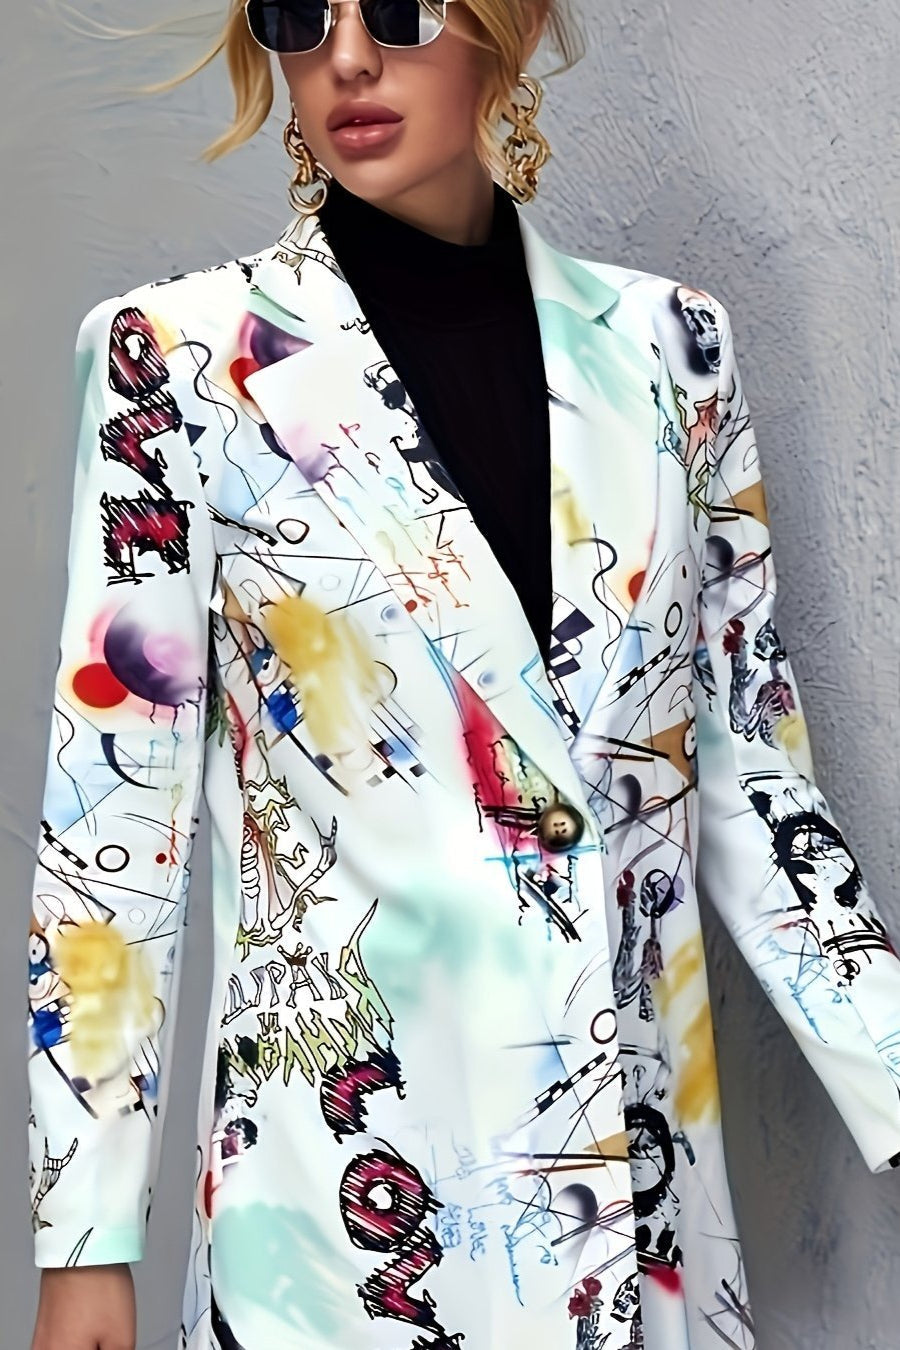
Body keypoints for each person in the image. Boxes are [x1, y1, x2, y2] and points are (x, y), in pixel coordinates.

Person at [26, 2, 900, 1348]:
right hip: (345, 1220)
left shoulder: (673, 351)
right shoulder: (180, 363)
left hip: (634, 1207)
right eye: (297, 15)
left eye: (397, 7)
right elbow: (114, 818)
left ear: (504, 24)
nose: (347, 58)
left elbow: (747, 773)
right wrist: (86, 1236)